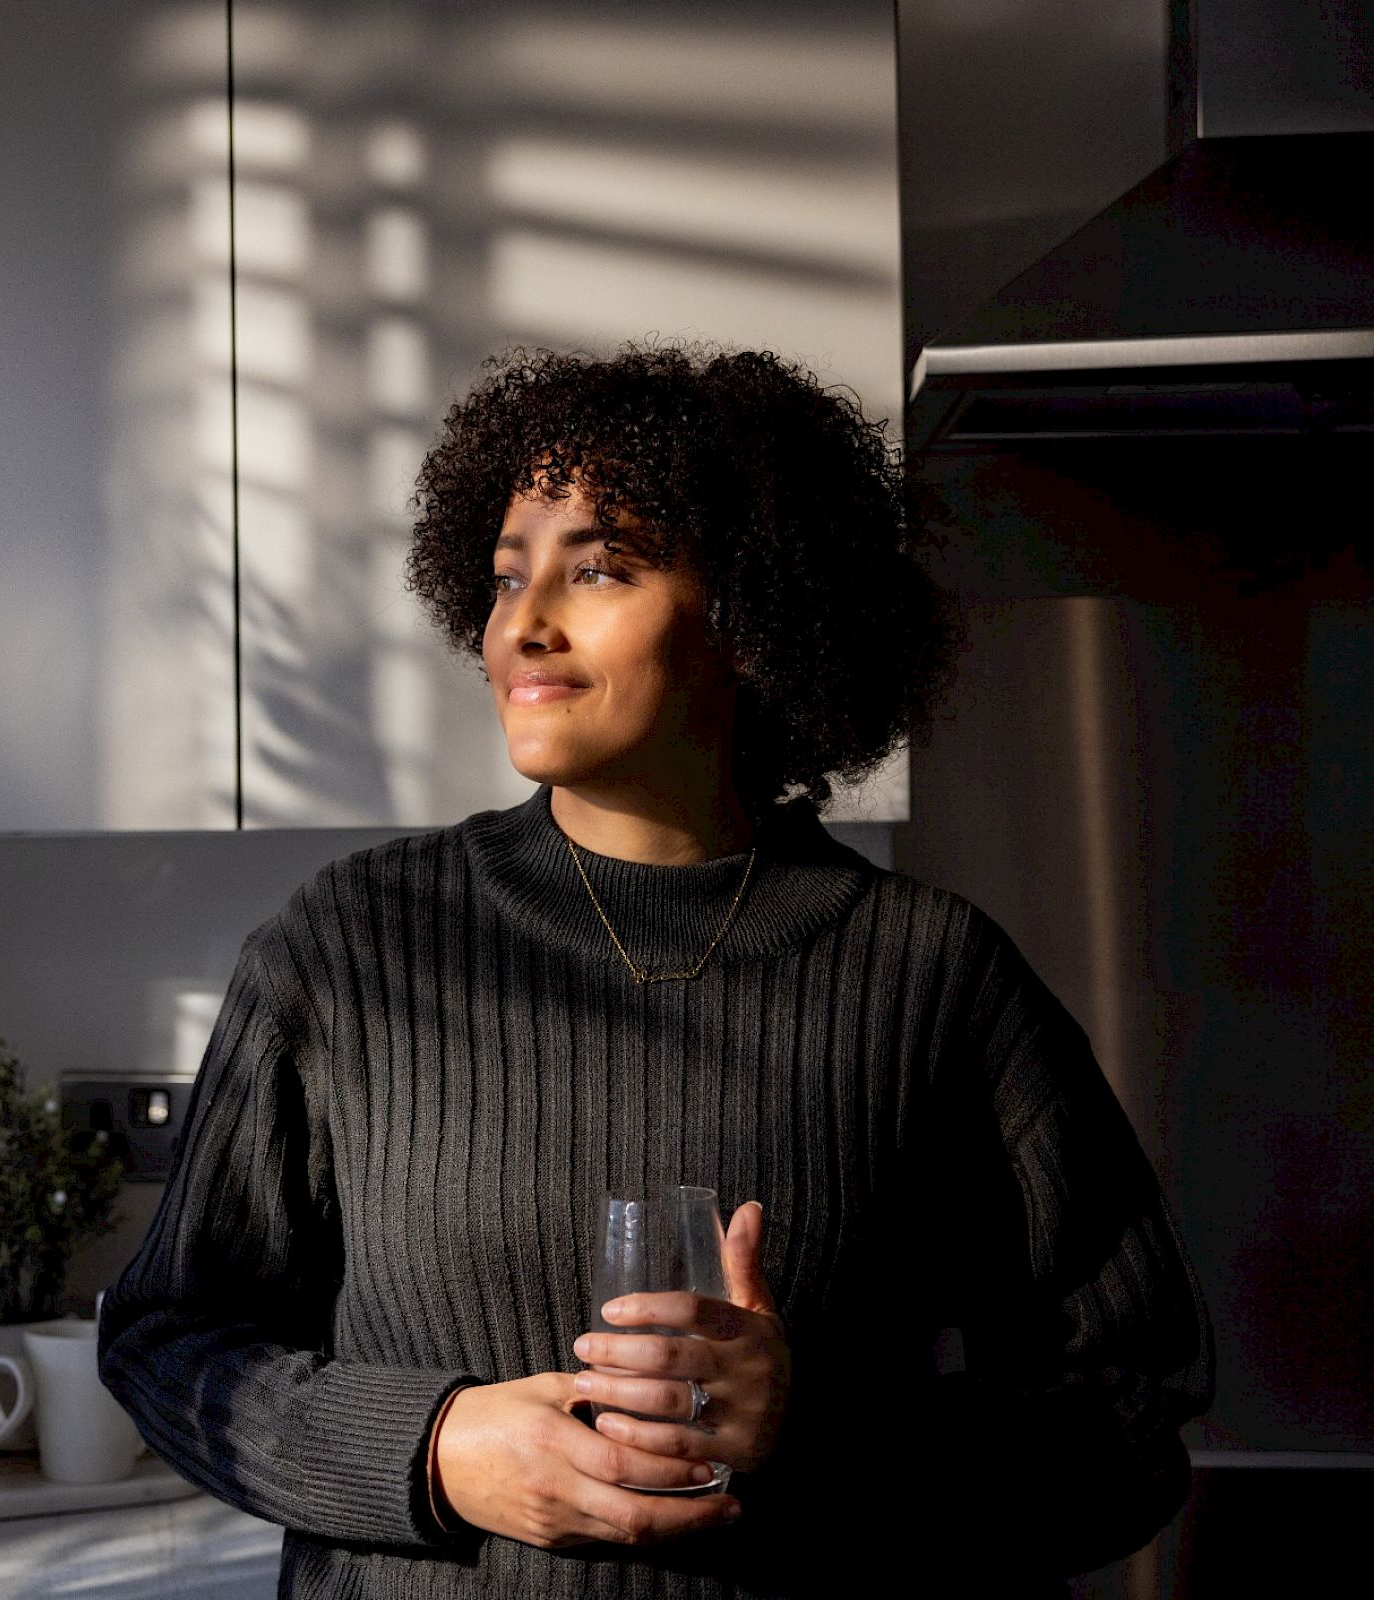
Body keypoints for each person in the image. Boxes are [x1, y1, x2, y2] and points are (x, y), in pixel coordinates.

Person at [98, 342, 1214, 1599]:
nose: (521, 622)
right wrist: (432, 1450)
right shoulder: (348, 949)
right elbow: (164, 1337)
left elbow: (1128, 1418)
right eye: (508, 574)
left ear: (750, 609)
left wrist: (817, 1432)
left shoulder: (935, 977)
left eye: (602, 569)